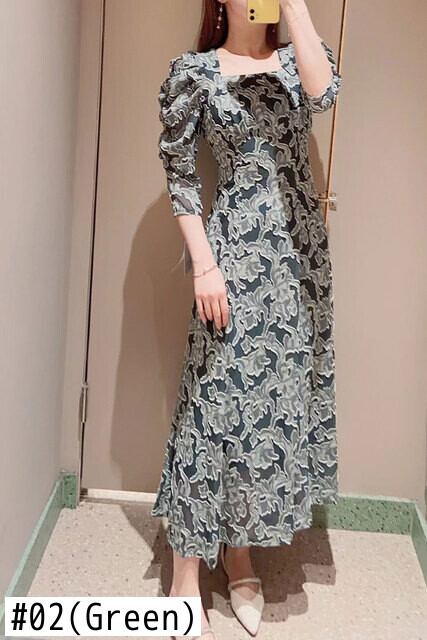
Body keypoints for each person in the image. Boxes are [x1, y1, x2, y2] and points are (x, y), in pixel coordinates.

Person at [151, 0, 342, 637]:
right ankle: (185, 570)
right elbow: (181, 174)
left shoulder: (297, 62)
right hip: (232, 254)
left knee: (269, 407)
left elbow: (325, 94)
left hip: (298, 262)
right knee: (211, 403)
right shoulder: (195, 72)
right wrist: (203, 265)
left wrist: (295, 7)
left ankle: (239, 553)